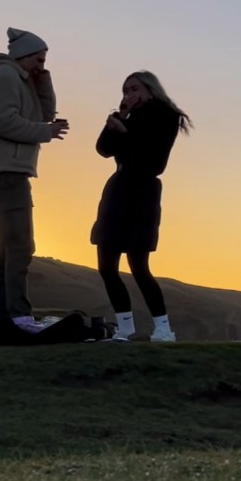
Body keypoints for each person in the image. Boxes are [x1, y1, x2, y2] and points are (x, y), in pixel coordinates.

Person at [0, 27, 68, 330]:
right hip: (6, 172)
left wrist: (44, 81)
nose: (41, 66)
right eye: (38, 60)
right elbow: (3, 122)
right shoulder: (3, 77)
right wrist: (46, 132)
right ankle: (19, 317)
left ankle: (8, 319)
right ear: (22, 55)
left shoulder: (20, 79)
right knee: (20, 247)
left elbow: (43, 114)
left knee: (9, 248)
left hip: (8, 171)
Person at [91, 70, 192, 342]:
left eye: (134, 88)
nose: (129, 95)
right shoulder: (127, 117)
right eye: (125, 91)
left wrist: (125, 132)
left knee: (138, 264)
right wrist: (119, 121)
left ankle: (163, 328)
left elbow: (153, 160)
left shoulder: (166, 116)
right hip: (118, 191)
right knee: (107, 265)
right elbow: (103, 149)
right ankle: (125, 329)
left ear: (150, 89)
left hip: (142, 192)